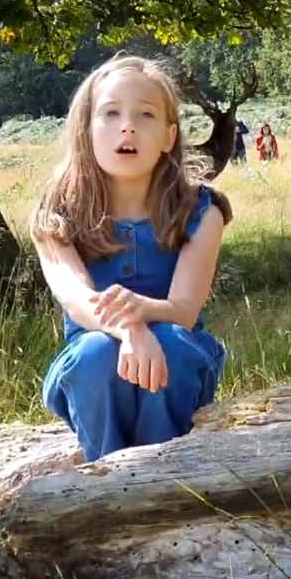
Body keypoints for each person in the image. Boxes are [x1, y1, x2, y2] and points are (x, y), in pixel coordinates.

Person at [29, 54, 233, 462]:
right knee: (94, 354)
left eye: (145, 115)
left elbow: (184, 311)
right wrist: (131, 330)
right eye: (110, 113)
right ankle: (104, 472)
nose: (128, 126)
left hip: (175, 355)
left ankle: (164, 475)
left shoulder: (200, 211)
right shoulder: (57, 214)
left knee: (172, 344)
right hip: (94, 360)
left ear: (169, 137)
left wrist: (143, 316)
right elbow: (77, 300)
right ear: (85, 130)